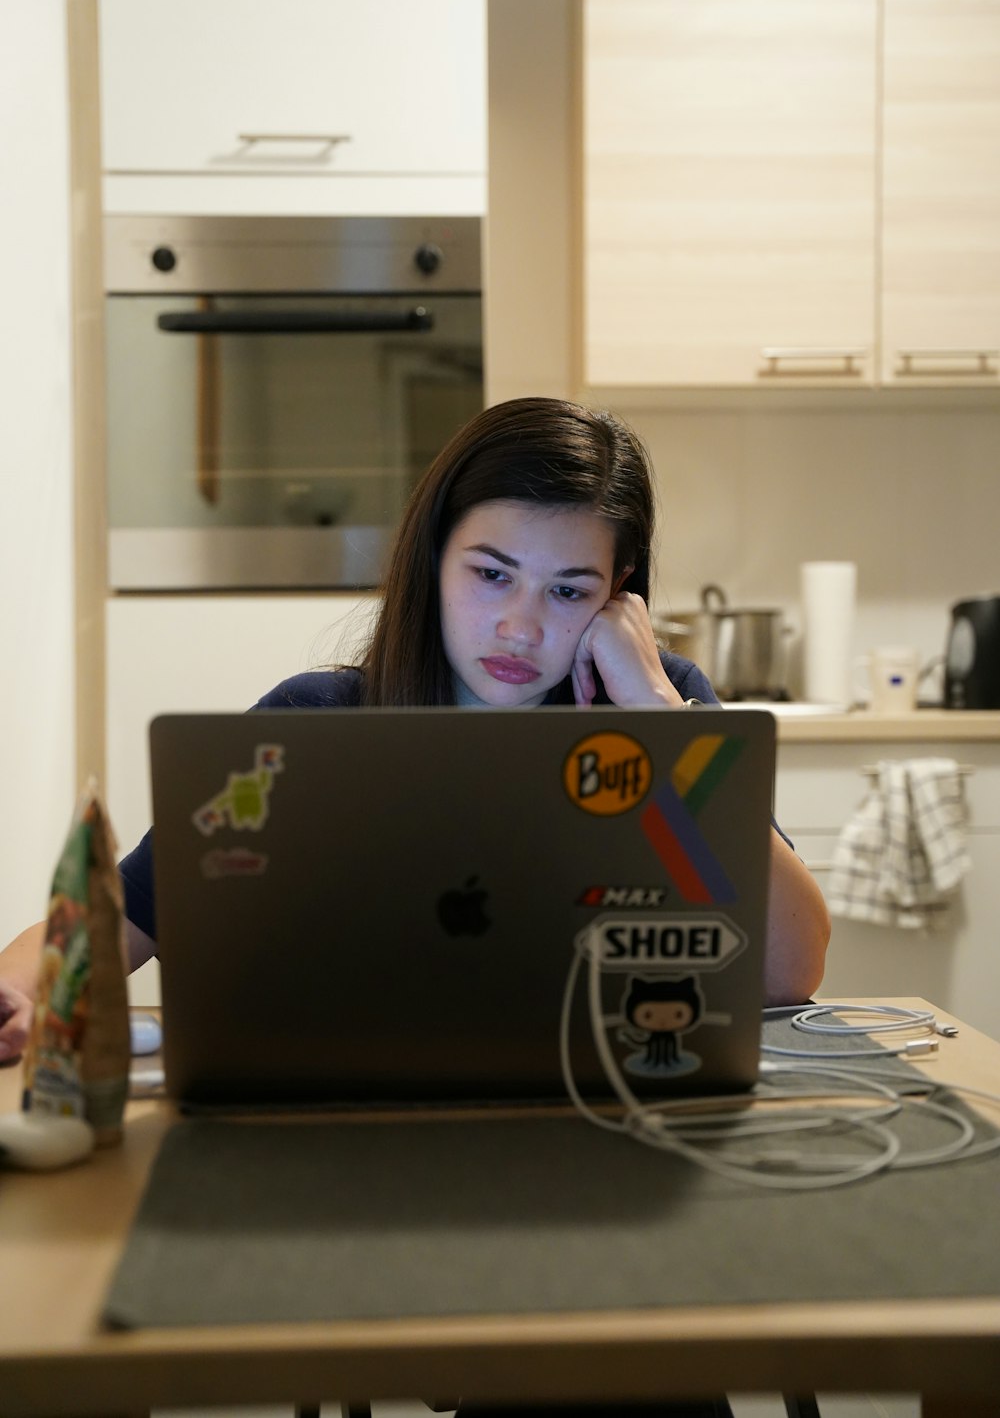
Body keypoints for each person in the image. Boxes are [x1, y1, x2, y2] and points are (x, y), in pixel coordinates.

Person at [0, 397, 830, 1063]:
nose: (519, 626)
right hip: (345, 1134)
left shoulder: (665, 714)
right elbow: (101, 934)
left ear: (621, 593)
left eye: (570, 591)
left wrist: (655, 713)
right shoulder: (313, 726)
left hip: (603, 1121)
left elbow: (790, 970)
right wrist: (20, 995)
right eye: (491, 575)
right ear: (433, 558)